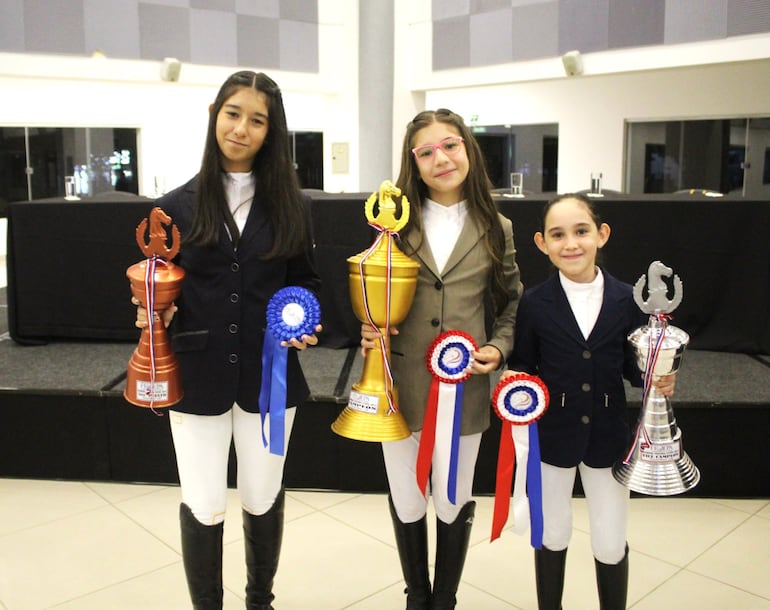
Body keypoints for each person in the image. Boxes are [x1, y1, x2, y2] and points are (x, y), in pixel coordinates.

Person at [133, 70, 321, 610]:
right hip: (196, 377)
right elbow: (156, 283)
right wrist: (152, 312)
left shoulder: (295, 205)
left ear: (271, 131)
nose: (241, 128)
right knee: (204, 502)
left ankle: (260, 600)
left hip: (272, 378)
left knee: (262, 497)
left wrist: (306, 323)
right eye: (233, 113)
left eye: (257, 120)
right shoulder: (174, 206)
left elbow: (306, 281)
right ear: (215, 114)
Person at [361, 108, 523, 609]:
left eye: (450, 145)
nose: (441, 159)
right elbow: (371, 289)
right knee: (408, 497)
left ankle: (444, 599)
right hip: (399, 384)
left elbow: (512, 301)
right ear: (414, 163)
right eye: (426, 151)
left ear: (468, 150)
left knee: (453, 498)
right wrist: (368, 323)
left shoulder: (497, 227)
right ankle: (417, 594)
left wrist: (498, 347)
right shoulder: (392, 223)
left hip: (465, 390)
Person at [503, 193, 676, 610]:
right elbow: (524, 363)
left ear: (601, 235)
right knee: (552, 531)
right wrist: (513, 380)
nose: (571, 244)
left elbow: (635, 368)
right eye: (558, 235)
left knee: (610, 536)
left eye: (581, 231)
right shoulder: (533, 303)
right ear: (543, 243)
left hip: (610, 438)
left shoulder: (626, 300)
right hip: (552, 436)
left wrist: (658, 372)